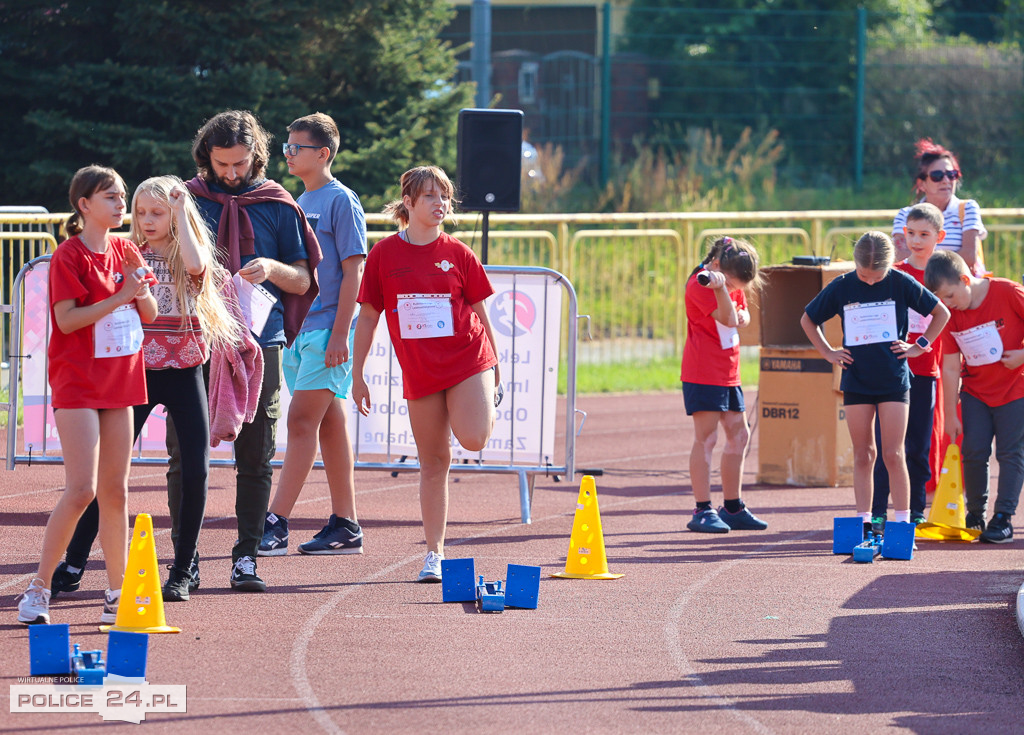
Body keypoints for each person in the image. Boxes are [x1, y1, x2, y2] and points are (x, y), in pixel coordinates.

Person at [49, 176, 247, 603]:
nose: (146, 220)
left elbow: (196, 267)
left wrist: (179, 211)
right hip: (136, 373)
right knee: (108, 478)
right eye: (140, 212)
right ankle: (75, 560)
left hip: (184, 368)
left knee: (195, 469)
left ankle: (182, 569)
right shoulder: (128, 251)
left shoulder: (187, 251)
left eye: (156, 213)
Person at [185, 110, 322, 592]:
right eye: (221, 164)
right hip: (195, 341)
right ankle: (187, 560)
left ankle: (246, 557)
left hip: (259, 343)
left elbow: (305, 280)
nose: (231, 173)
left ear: (256, 157)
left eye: (240, 163)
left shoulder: (279, 204)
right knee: (187, 455)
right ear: (207, 157)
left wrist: (271, 267)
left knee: (256, 454)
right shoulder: (187, 199)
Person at [17, 165, 157, 625]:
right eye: (112, 198)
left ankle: (118, 592)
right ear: (85, 206)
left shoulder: (126, 248)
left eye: (123, 197)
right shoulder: (69, 256)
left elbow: (150, 312)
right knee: (82, 490)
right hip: (77, 379)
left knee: (115, 492)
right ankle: (38, 589)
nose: (122, 206)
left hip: (121, 377)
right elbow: (68, 320)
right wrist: (121, 296)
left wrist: (137, 289)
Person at [351, 166, 501, 582]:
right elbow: (367, 317)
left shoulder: (458, 252)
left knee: (473, 438)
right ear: (410, 203)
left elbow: (480, 310)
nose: (440, 204)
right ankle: (434, 554)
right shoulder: (383, 254)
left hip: (468, 358)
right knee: (433, 462)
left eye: (445, 197)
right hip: (420, 371)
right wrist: (357, 373)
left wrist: (497, 366)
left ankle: (483, 403)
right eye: (431, 196)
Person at [258, 113, 367, 557]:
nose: (286, 153)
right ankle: (347, 525)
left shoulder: (342, 200)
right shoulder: (297, 200)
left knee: (302, 421)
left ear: (322, 154)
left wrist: (342, 333)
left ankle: (275, 520)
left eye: (294, 147)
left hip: (327, 331)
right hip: (299, 330)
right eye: (286, 146)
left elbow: (354, 268)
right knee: (329, 424)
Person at [801, 232, 949, 535]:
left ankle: (903, 522)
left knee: (894, 453)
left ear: (890, 265)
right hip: (856, 379)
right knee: (863, 453)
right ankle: (865, 519)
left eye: (876, 276)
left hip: (894, 379)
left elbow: (941, 313)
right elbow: (807, 319)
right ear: (855, 265)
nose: (869, 281)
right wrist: (828, 351)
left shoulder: (900, 282)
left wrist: (919, 345)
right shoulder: (842, 286)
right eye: (864, 276)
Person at [924, 251, 1024, 543]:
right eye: (943, 300)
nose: (949, 304)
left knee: (1010, 453)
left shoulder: (1008, 291)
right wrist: (949, 413)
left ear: (966, 279)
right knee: (974, 452)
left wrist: (1021, 356)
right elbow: (951, 364)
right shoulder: (951, 315)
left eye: (951, 296)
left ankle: (1003, 517)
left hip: (1015, 389)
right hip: (975, 392)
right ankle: (975, 515)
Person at [680, 236, 768, 533]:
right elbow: (730, 318)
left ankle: (732, 506)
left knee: (739, 435)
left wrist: (731, 297)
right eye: (731, 284)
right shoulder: (700, 285)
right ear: (716, 266)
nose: (735, 290)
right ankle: (702, 509)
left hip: (729, 370)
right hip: (703, 370)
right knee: (706, 438)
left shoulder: (729, 284)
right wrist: (720, 289)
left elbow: (742, 314)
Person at [870, 203, 946, 528]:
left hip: (927, 371)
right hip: (891, 373)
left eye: (924, 234)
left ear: (938, 237)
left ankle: (916, 511)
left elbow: (952, 313)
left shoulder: (945, 273)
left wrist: (920, 346)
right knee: (886, 444)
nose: (916, 240)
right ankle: (877, 511)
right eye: (911, 233)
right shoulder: (894, 273)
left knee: (918, 444)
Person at [893, 138, 987, 276]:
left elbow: (969, 257)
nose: (946, 180)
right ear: (921, 184)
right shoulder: (905, 214)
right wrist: (950, 261)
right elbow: (901, 256)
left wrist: (922, 261)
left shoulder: (968, 208)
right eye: (937, 176)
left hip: (959, 293)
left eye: (951, 174)